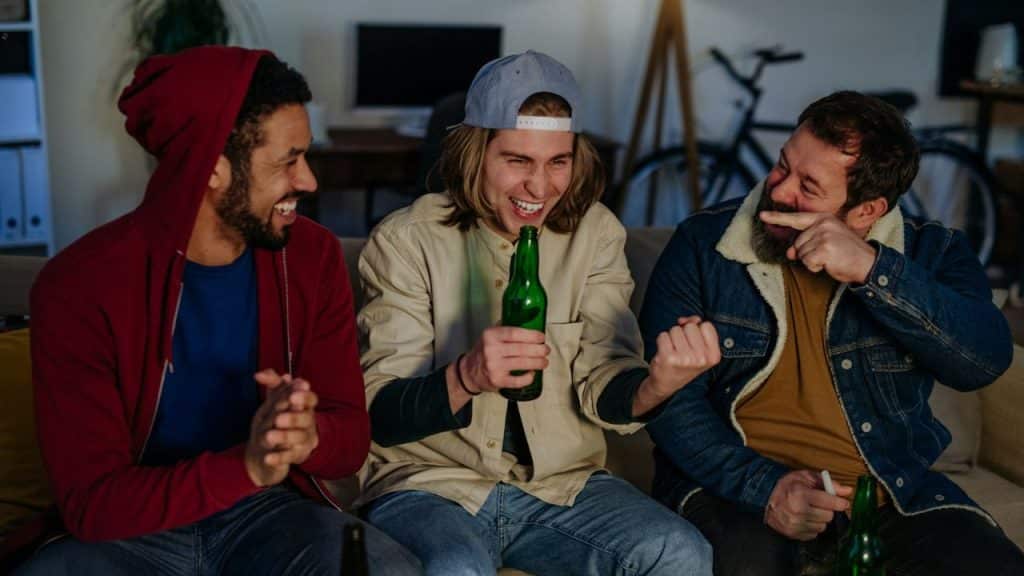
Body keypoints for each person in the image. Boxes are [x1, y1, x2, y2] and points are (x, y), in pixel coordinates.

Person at [18, 47, 420, 575]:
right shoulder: (79, 284)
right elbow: (92, 505)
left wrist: (308, 436)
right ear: (212, 168)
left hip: (270, 516)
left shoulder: (311, 258)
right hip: (130, 532)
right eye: (287, 161)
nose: (308, 181)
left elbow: (349, 440)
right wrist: (246, 466)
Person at [355, 50, 713, 575]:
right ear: (476, 154)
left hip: (563, 487)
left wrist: (656, 385)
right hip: (431, 485)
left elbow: (605, 374)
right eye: (518, 161)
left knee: (680, 551)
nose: (540, 187)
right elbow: (377, 413)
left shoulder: (596, 234)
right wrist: (467, 376)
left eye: (557, 162)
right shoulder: (406, 240)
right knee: (454, 567)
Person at [639, 90, 1024, 575]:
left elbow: (984, 360)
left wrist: (873, 270)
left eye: (808, 186)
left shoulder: (933, 253)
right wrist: (765, 488)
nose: (778, 192)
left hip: (888, 497)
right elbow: (670, 403)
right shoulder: (703, 243)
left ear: (866, 212)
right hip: (737, 490)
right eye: (782, 165)